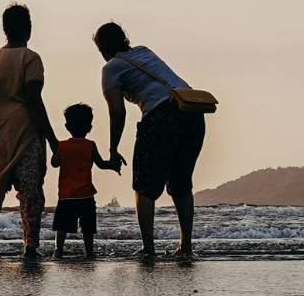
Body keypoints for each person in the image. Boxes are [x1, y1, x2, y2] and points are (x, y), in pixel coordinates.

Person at [93, 21, 205, 259]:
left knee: (144, 183)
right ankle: (185, 248)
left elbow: (117, 112)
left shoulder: (111, 68)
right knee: (181, 181)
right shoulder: (144, 51)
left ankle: (148, 249)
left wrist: (112, 150)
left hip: (161, 115)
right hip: (193, 112)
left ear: (102, 48)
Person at [0, 3, 61, 260]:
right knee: (30, 193)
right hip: (22, 136)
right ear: (29, 28)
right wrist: (52, 140)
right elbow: (33, 101)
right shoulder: (30, 58)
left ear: (5, 29)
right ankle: (30, 246)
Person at [51, 103, 117, 259]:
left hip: (66, 195)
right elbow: (101, 164)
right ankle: (89, 251)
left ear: (67, 126)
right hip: (86, 194)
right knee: (88, 226)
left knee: (62, 225)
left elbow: (54, 163)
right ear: (89, 127)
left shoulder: (63, 146)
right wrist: (113, 165)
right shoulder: (90, 145)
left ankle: (58, 250)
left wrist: (56, 149)